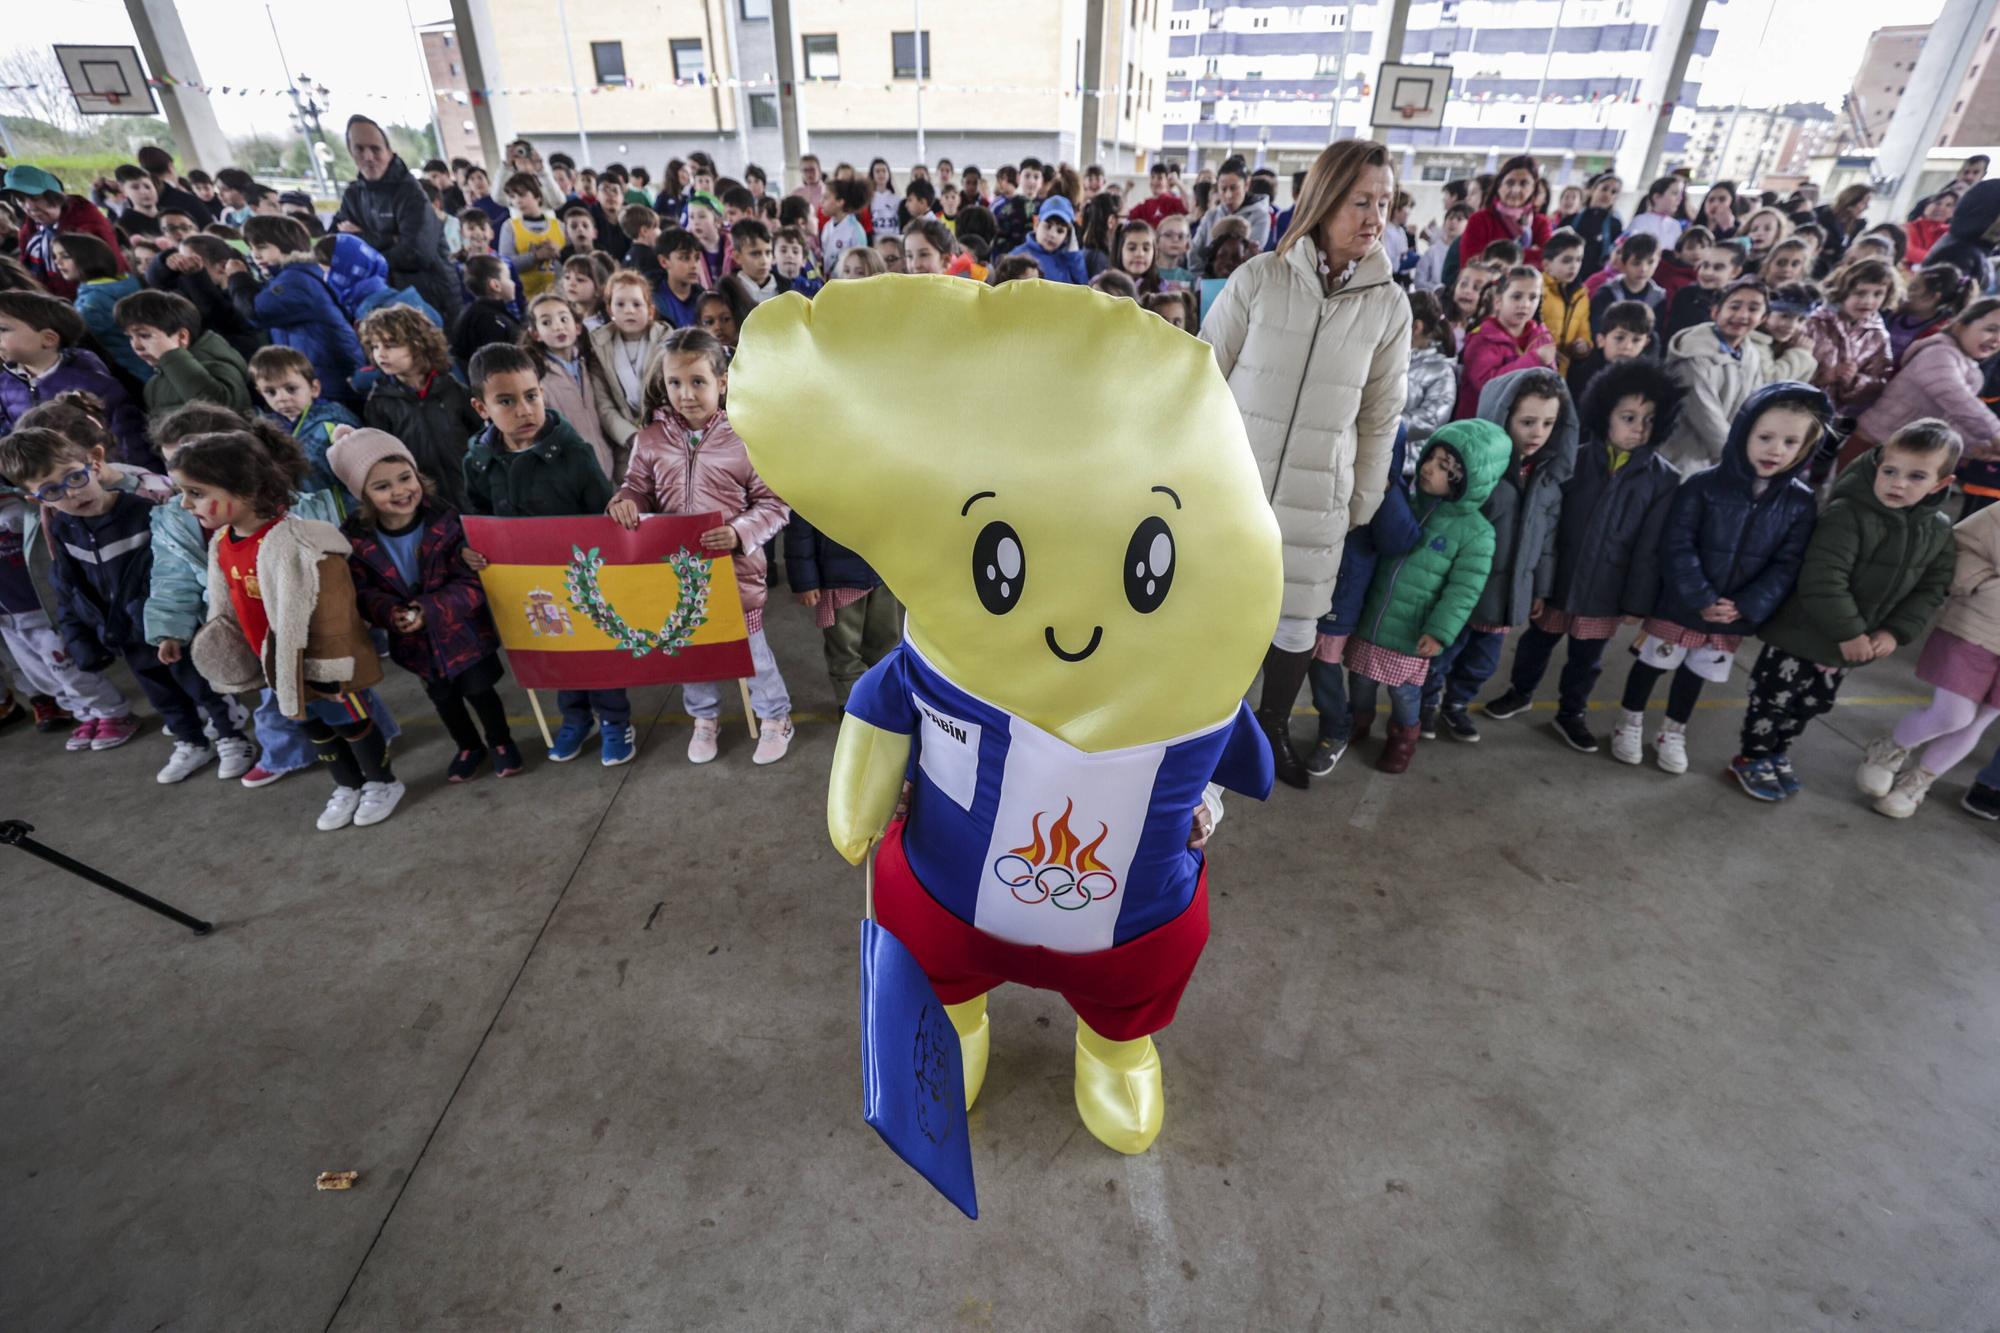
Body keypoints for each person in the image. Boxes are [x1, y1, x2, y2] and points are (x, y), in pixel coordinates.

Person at [1201, 138, 1412, 787]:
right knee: (1214, 618)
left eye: (1384, 202)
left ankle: (1268, 736)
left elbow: (1380, 415)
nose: (1374, 216)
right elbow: (1202, 374)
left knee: (1294, 625)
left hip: (1320, 496)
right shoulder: (1258, 277)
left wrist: (1360, 502)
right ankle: (1202, 739)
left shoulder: (1388, 306)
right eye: (1360, 201)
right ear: (1323, 200)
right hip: (1230, 491)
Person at [172, 430, 401, 826]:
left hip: (321, 662)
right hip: (279, 666)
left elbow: (334, 611)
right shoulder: (222, 542)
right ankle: (347, 785)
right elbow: (224, 605)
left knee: (352, 722)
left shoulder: (298, 541)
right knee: (311, 725)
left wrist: (330, 667)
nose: (184, 502)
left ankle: (382, 782)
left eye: (195, 492)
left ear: (243, 488)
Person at [0, 425, 254, 783]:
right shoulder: (62, 530)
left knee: (203, 685)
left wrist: (171, 625)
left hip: (170, 627)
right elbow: (69, 587)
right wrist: (81, 637)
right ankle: (191, 742)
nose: (72, 495)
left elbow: (175, 573)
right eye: (53, 491)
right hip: (124, 633)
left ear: (92, 462)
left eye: (74, 477)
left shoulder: (143, 512)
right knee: (162, 694)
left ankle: (232, 737)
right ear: (35, 500)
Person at [1732, 422, 1960, 803]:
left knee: (1811, 704)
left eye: (1916, 476)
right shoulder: (1847, 513)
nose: (1897, 484)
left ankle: (1777, 751)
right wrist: (1850, 632)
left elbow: (1931, 589)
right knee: (1772, 699)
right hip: (1802, 634)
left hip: (1850, 646)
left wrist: (1893, 632)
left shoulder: (1937, 530)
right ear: (1876, 466)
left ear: (1940, 483)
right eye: (1890, 471)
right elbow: (1823, 578)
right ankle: (1751, 755)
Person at [1613, 383, 1828, 775]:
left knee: (1695, 674)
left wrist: (1746, 605)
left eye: (1790, 442)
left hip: (1729, 616)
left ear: (1805, 448)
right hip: (1681, 604)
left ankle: (1672, 732)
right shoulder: (1702, 484)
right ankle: (1629, 721)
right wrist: (1699, 594)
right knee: (1651, 664)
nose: (1775, 450)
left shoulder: (1799, 502)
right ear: (1743, 432)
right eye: (1765, 437)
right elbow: (1677, 543)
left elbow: (1788, 563)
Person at [608, 328, 792, 764]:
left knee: (751, 652)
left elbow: (775, 502)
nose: (686, 394)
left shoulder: (747, 437)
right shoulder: (649, 439)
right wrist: (625, 502)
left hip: (734, 574)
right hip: (676, 576)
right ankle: (704, 718)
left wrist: (740, 533)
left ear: (722, 382)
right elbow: (637, 487)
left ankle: (775, 716)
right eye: (675, 383)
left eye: (697, 382)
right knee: (690, 653)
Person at [1482, 359, 1683, 750]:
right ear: (1604, 413)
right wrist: (1540, 582)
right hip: (1561, 579)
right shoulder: (1572, 458)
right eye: (1628, 417)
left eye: (1648, 419)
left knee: (1587, 658)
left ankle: (1571, 711)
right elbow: (1549, 525)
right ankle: (1520, 692)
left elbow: (1649, 549)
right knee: (1537, 643)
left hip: (1607, 590)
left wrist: (1635, 603)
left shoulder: (1663, 479)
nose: (1638, 428)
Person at [327, 429, 522, 784]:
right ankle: (468, 746)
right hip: (416, 645)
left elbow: (473, 583)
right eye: (382, 487)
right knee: (445, 701)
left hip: (464, 635)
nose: (401, 491)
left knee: (481, 693)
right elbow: (362, 592)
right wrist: (391, 613)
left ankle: (501, 741)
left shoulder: (446, 520)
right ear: (363, 495)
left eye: (405, 477)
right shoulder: (355, 539)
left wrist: (429, 610)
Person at [458, 343, 619, 762]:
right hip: (526, 584)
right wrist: (471, 550)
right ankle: (576, 718)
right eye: (506, 401)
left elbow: (602, 513)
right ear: (481, 407)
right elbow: (476, 516)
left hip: (581, 575)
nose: (524, 409)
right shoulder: (477, 462)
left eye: (532, 396)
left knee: (596, 650)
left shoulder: (575, 453)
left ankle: (616, 720)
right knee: (557, 651)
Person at [1422, 368, 1577, 739]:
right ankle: (1426, 703)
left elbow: (1548, 538)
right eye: (1527, 421)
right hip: (1466, 592)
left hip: (1510, 594)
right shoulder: (1481, 476)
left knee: (1483, 660)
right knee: (1442, 653)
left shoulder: (1548, 477)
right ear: (1502, 415)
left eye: (1548, 423)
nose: (1538, 432)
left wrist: (1539, 587)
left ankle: (1456, 704)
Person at [1343, 421, 1507, 772]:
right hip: (1372, 618)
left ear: (1468, 482)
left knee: (1404, 692)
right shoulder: (1407, 502)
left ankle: (1403, 738)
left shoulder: (1477, 534)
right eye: (1433, 458)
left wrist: (1439, 632)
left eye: (1447, 468)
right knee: (1360, 678)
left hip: (1412, 631)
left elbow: (1463, 591)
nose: (1431, 469)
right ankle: (1358, 721)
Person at [0, 413, 138, 747]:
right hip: (9, 616)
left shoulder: (21, 509)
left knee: (66, 665)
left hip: (38, 608)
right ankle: (84, 712)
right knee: (40, 672)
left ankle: (112, 711)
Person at [1304, 422, 1423, 775]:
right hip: (1301, 577)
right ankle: (1269, 725)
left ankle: (1335, 727)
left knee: (1322, 668)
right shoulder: (1331, 422)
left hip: (1340, 595)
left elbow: (1400, 539)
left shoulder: (1390, 436)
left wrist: (1383, 485)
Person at [1845, 297, 2000, 473]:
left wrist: (1975, 447)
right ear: (1961, 326)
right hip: (1872, 445)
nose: (1996, 339)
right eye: (1991, 329)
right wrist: (1995, 432)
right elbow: (1954, 395)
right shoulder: (1938, 352)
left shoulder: (1972, 370)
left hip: (1906, 454)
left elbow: (1950, 421)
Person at [228, 215, 366, 408]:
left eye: (261, 247)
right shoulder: (294, 274)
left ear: (286, 244)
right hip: (327, 377)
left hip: (330, 382)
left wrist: (238, 278)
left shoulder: (295, 280)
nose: (255, 255)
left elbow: (256, 313)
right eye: (251, 248)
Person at [333, 117, 460, 322]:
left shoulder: (411, 193)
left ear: (389, 151)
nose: (368, 156)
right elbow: (338, 245)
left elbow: (417, 254)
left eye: (375, 149)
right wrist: (390, 239)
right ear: (350, 151)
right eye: (360, 149)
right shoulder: (353, 195)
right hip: (382, 302)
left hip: (428, 299)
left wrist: (363, 240)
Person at [0, 289, 149, 463]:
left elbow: (128, 438)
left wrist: (138, 480)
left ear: (48, 339)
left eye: (2, 329)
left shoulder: (93, 383)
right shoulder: (5, 384)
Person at [361, 305, 483, 511]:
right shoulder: (379, 403)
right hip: (426, 502)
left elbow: (480, 435)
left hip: (472, 492)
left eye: (390, 345)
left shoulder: (452, 389)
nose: (380, 354)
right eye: (374, 346)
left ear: (418, 344)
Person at [1661, 278, 1777, 473]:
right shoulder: (1693, 352)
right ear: (1715, 311)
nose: (1742, 315)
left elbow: (1751, 406)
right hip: (1682, 456)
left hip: (1720, 457)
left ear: (1763, 318)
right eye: (1734, 306)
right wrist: (1735, 458)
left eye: (1753, 309)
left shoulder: (1751, 354)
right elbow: (1705, 415)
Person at [113, 289, 251, 418]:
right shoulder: (153, 385)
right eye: (130, 337)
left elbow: (225, 413)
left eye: (144, 335)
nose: (136, 346)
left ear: (182, 337)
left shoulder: (218, 364)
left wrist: (171, 355)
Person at [523, 291, 614, 482]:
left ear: (578, 327)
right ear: (535, 334)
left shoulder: (590, 364)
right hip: (569, 476)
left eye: (564, 319)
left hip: (606, 467)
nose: (558, 326)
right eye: (546, 322)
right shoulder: (536, 377)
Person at [248, 345, 360, 499]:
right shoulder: (265, 430)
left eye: (291, 389)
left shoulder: (334, 423)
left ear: (314, 388)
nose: (281, 398)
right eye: (271, 392)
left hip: (341, 511)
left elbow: (358, 472)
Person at [4, 165, 123, 300]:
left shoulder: (88, 226)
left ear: (56, 195)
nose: (29, 206)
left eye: (36, 198)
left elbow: (105, 279)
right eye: (21, 200)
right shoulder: (30, 231)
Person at [588, 271, 671, 461]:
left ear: (650, 311)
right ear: (610, 311)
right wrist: (631, 436)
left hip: (666, 433)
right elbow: (603, 404)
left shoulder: (666, 341)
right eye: (620, 304)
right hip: (625, 444)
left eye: (636, 304)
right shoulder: (599, 348)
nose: (629, 310)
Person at [1805, 258, 1896, 429]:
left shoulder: (1879, 337)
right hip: (1795, 402)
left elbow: (1878, 381)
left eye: (1878, 294)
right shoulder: (1816, 321)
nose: (1868, 301)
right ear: (1844, 290)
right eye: (1860, 293)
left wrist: (1853, 381)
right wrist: (1822, 377)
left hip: (1830, 416)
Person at [1456, 265, 1555, 419]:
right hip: (1482, 428)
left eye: (1533, 297)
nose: (1525, 304)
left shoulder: (1542, 338)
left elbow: (1552, 383)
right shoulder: (1483, 339)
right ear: (1498, 301)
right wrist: (1534, 359)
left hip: (1524, 425)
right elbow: (1488, 386)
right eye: (1517, 296)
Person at [57, 233, 148, 386]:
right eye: (55, 257)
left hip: (130, 373)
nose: (57, 262)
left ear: (86, 257)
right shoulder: (125, 282)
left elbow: (76, 338)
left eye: (65, 256)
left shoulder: (93, 301)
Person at [1457, 155, 1553, 270]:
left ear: (1533, 189)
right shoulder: (1480, 220)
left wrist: (1495, 258)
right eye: (1510, 183)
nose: (1515, 190)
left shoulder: (1541, 223)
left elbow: (1548, 263)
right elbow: (1471, 264)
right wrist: (1530, 253)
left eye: (1524, 184)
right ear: (1499, 185)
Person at [1189, 163, 1271, 276]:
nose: (1228, 195)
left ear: (1246, 185)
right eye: (1223, 189)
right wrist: (1203, 279)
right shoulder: (1210, 216)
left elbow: (1249, 257)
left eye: (1233, 188)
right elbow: (1195, 253)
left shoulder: (1260, 216)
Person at [1884, 263, 1973, 365]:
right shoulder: (1894, 316)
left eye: (1913, 288)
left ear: (1933, 297)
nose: (1905, 293)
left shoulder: (1936, 335)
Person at [1567, 299, 1654, 402]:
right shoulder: (1581, 376)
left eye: (1636, 340)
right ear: (1601, 340)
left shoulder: (1648, 380)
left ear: (1645, 343)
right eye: (1619, 338)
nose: (1627, 346)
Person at [495, 173, 564, 302]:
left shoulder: (559, 226)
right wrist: (535, 256)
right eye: (513, 197)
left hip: (559, 296)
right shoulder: (509, 227)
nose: (518, 201)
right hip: (525, 298)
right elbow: (505, 265)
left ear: (537, 195)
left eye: (522, 195)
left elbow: (569, 260)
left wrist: (560, 253)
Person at [450, 254, 523, 370]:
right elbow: (499, 366)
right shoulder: (491, 322)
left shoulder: (473, 312)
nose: (513, 283)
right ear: (495, 285)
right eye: (508, 278)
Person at [1403, 291, 1456, 446]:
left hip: (1407, 462)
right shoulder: (1389, 357)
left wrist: (1381, 423)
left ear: (1416, 328)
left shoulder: (1441, 371)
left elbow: (1431, 419)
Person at [1662, 242, 1746, 340]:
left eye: (1718, 268)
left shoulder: (1738, 305)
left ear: (1735, 272)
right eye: (1705, 265)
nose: (1708, 272)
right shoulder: (1685, 295)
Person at [1588, 233, 1666, 335]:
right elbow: (1597, 332)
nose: (1643, 269)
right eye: (1636, 263)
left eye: (1650, 262)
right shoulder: (1606, 293)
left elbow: (1655, 335)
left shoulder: (1658, 297)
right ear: (1623, 264)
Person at [1541, 229, 1592, 376]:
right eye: (1566, 260)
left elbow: (1583, 329)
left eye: (1579, 260)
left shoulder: (1581, 295)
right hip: (1535, 364)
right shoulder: (1538, 291)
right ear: (1546, 265)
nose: (1574, 266)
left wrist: (1582, 344)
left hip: (1561, 370)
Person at [1569, 172, 1624, 277]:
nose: (1607, 194)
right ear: (1593, 190)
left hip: (1593, 281)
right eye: (1604, 189)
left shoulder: (1615, 225)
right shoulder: (1571, 218)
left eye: (1614, 192)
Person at [1812, 183, 1874, 276]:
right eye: (1864, 203)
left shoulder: (1857, 225)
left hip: (1834, 272)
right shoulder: (1822, 216)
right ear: (1851, 201)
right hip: (1816, 269)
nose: (1866, 207)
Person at [1624, 176, 1687, 250]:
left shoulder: (1675, 225)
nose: (1680, 198)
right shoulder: (1640, 221)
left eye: (1681, 194)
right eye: (1675, 193)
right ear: (1656, 197)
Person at [1129, 162, 1189, 230]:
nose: (1155, 181)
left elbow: (1187, 208)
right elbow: (1125, 216)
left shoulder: (1173, 201)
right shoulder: (1145, 205)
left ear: (1167, 181)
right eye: (1152, 177)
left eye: (1160, 178)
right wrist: (1126, 191)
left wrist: (1178, 183)